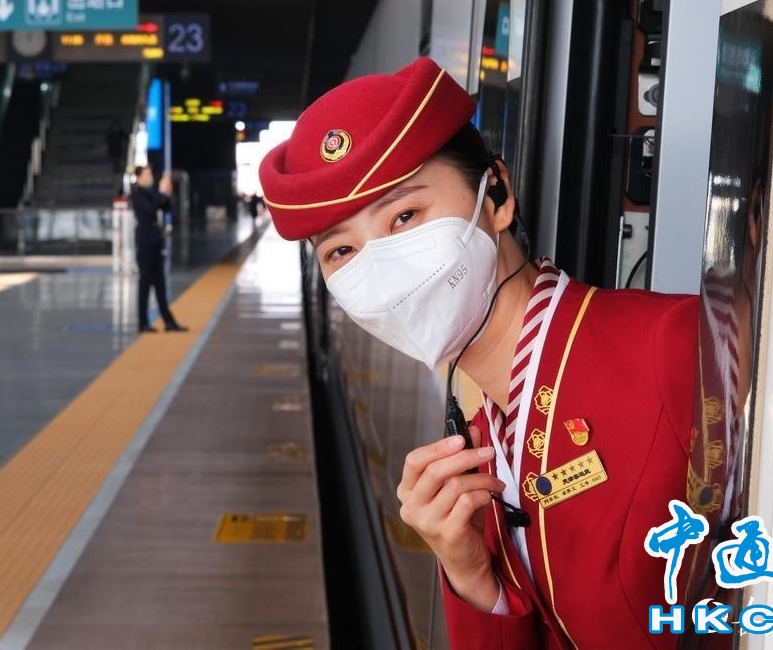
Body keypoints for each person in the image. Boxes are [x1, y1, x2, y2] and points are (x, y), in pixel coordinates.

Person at [259, 57, 698, 648]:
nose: (380, 269)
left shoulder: (673, 345)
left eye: (405, 216)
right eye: (341, 252)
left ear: (497, 195)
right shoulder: (481, 448)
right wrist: (471, 577)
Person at [131, 165, 187, 334]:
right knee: (145, 284)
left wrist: (165, 193)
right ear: (139, 177)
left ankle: (169, 321)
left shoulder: (151, 191)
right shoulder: (137, 194)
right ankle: (142, 322)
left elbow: (166, 206)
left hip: (156, 241)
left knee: (160, 284)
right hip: (145, 242)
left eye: (150, 174)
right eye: (146, 174)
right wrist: (161, 194)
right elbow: (151, 208)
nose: (149, 177)